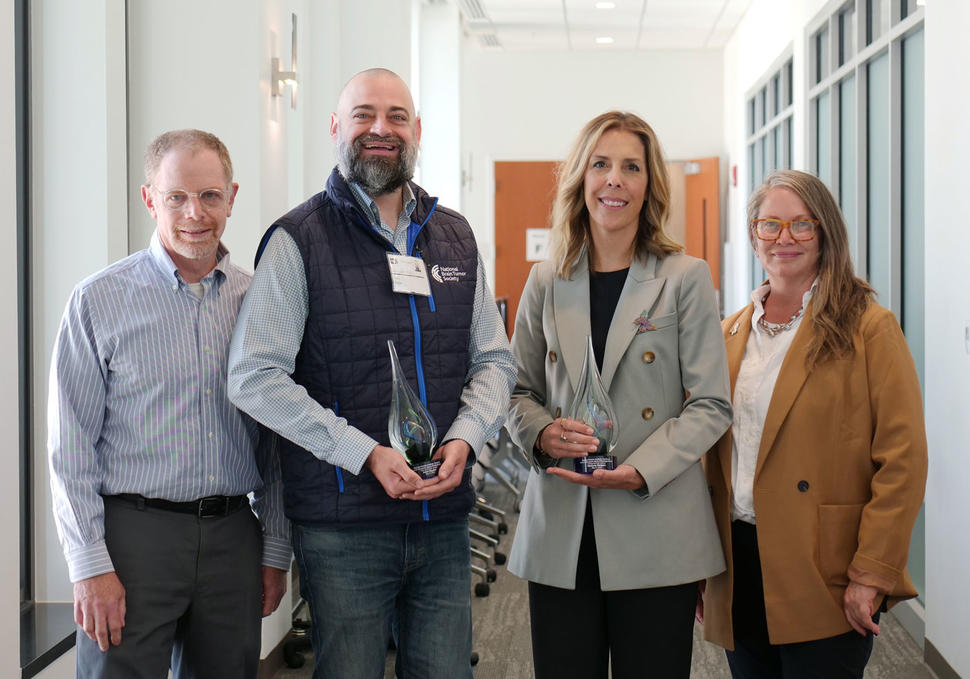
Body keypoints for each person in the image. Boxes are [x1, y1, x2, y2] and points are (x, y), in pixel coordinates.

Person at [227, 68, 516, 679]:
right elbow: (254, 376)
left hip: (441, 518)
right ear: (336, 128)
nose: (380, 129)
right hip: (344, 528)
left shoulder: (455, 238)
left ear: (417, 132)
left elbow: (493, 358)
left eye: (396, 116)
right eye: (363, 115)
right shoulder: (296, 240)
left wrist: (465, 438)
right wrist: (364, 454)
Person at [48, 129, 290, 679]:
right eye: (176, 196)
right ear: (149, 198)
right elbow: (70, 449)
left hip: (233, 535)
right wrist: (88, 566)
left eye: (209, 196)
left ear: (231, 197)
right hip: (133, 540)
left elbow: (277, 441)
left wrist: (275, 548)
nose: (194, 213)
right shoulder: (98, 301)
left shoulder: (259, 302)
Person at [505, 110, 732, 679]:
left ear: (650, 183)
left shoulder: (685, 277)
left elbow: (711, 404)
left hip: (654, 521)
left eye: (632, 167)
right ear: (580, 178)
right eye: (601, 164)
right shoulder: (545, 279)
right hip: (563, 525)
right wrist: (540, 430)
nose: (614, 180)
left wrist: (639, 471)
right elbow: (516, 390)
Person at [698, 170, 928, 678]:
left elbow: (902, 461)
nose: (784, 238)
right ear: (754, 235)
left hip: (826, 567)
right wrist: (700, 567)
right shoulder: (727, 333)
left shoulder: (868, 327)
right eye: (770, 224)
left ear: (826, 234)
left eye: (802, 225)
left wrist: (873, 572)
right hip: (738, 564)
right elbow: (706, 460)